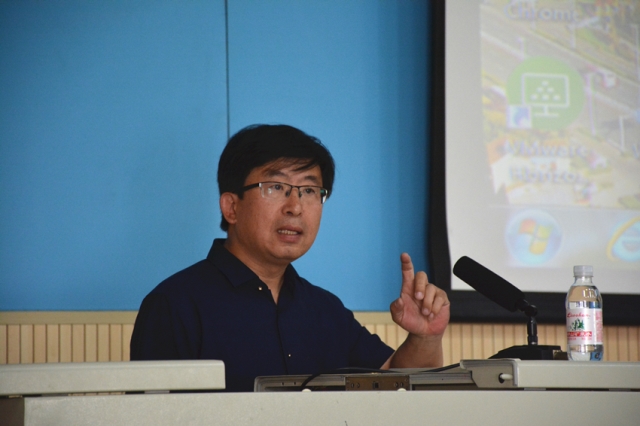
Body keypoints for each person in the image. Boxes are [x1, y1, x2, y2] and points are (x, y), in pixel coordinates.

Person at [130, 124, 450, 392]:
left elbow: (395, 384)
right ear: (231, 207)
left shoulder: (325, 309)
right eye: (275, 187)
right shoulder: (174, 305)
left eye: (309, 191)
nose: (295, 207)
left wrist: (425, 337)